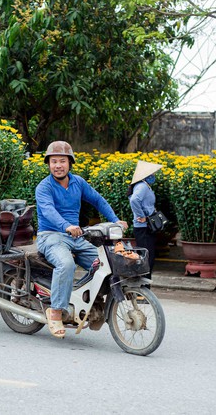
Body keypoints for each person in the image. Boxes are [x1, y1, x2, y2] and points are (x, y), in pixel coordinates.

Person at [35, 141, 128, 339]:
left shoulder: (78, 182)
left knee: (105, 262)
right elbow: (49, 211)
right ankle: (56, 311)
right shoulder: (43, 187)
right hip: (51, 236)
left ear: (70, 163)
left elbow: (98, 200)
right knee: (66, 264)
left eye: (62, 161)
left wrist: (115, 220)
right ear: (49, 164)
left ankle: (92, 303)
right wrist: (66, 226)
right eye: (53, 161)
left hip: (76, 237)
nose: (57, 165)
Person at [127, 160, 163, 285]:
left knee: (147, 257)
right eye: (152, 173)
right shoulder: (142, 186)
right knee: (146, 258)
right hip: (143, 227)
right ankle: (141, 288)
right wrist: (141, 216)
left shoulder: (144, 185)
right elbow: (134, 201)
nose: (153, 175)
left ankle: (143, 287)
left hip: (146, 226)